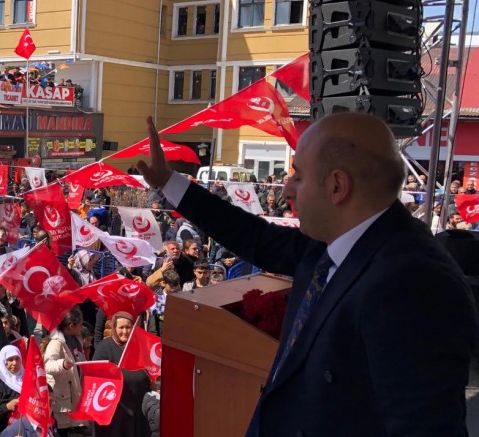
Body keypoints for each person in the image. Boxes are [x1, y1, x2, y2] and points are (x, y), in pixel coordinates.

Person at [136, 113, 478, 435]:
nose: (286, 190)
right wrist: (169, 182)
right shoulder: (330, 242)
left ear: (337, 186)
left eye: (298, 176)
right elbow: (254, 236)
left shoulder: (415, 285)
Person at [91, 312, 149, 437]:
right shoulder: (104, 347)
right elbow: (95, 376)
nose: (125, 331)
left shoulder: (140, 346)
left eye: (128, 327)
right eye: (121, 327)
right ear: (114, 328)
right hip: (116, 410)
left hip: (137, 407)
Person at [43, 308, 87, 436]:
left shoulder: (77, 340)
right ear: (71, 326)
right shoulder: (56, 343)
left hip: (74, 390)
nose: (82, 327)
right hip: (62, 394)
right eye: (80, 324)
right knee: (63, 429)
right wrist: (61, 364)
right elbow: (47, 365)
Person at [0, 345, 23, 437]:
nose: (14, 363)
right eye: (10, 360)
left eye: (17, 359)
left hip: (26, 429)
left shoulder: (27, 379)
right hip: (4, 430)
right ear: (3, 361)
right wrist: (7, 407)